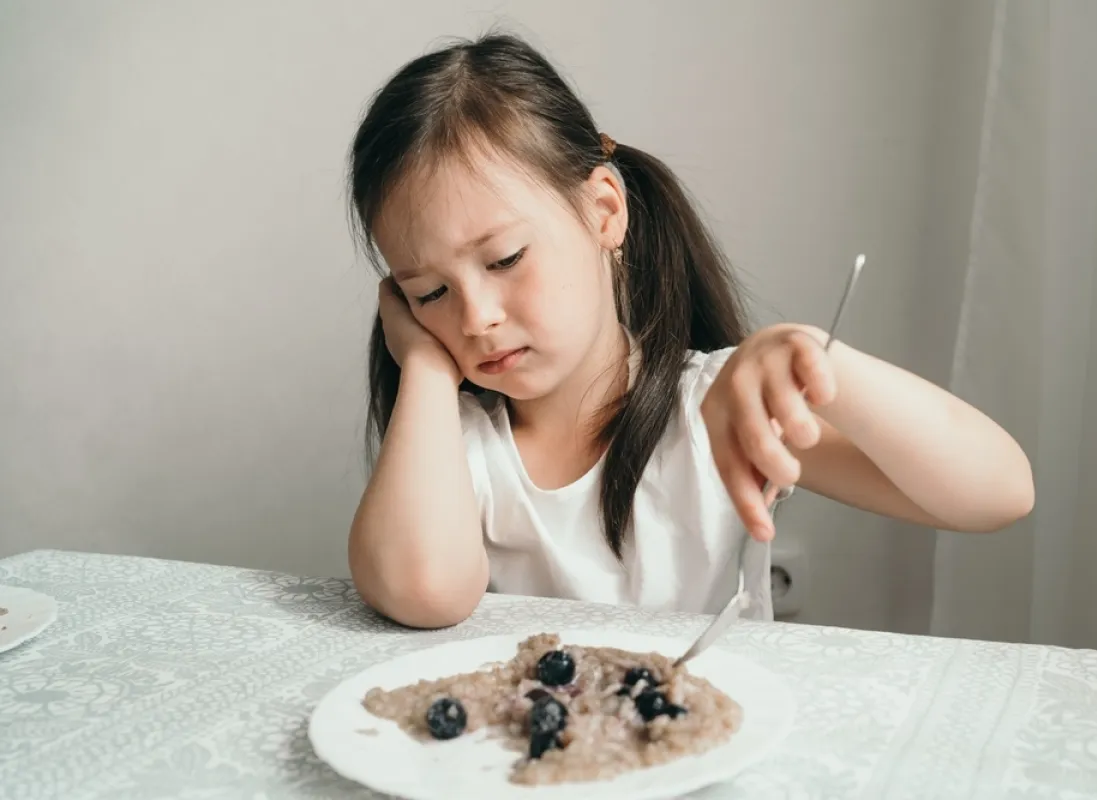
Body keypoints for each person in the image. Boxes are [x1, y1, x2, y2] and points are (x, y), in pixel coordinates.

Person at [345, 32, 1034, 629]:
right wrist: (428, 373)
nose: (476, 318)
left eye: (505, 260)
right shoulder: (458, 443)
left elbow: (999, 493)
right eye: (429, 292)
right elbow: (422, 590)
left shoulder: (713, 411)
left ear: (604, 211)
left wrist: (816, 359)